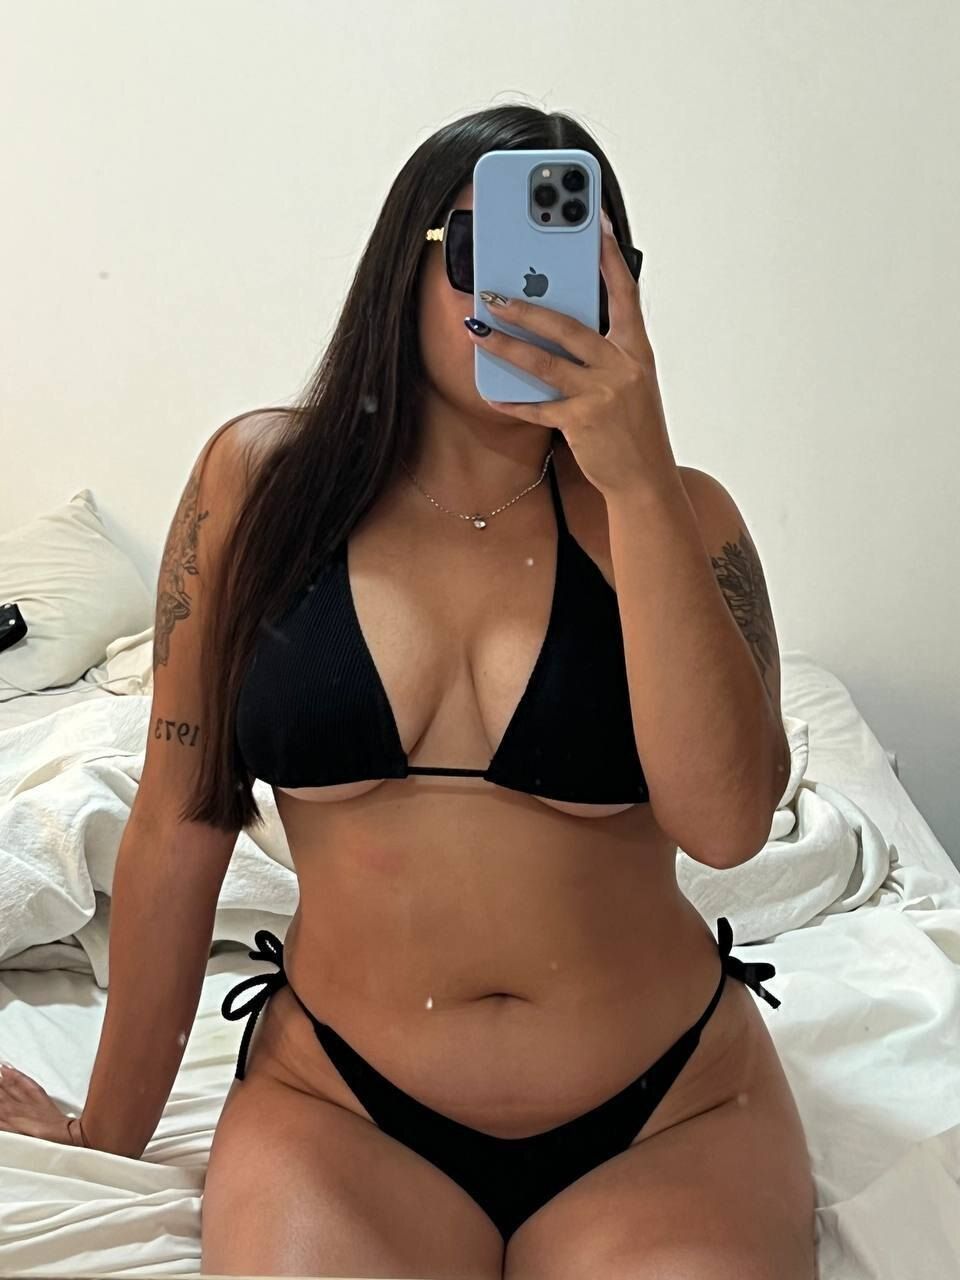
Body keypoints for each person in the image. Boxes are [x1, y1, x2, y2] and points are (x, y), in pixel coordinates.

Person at [0, 105, 817, 1280]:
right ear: (404, 266)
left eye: (582, 264)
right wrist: (103, 1131)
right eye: (483, 254)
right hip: (342, 1111)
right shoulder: (260, 488)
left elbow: (729, 824)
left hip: (669, 1114)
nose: (530, 296)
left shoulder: (684, 515)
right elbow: (180, 817)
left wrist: (638, 480)